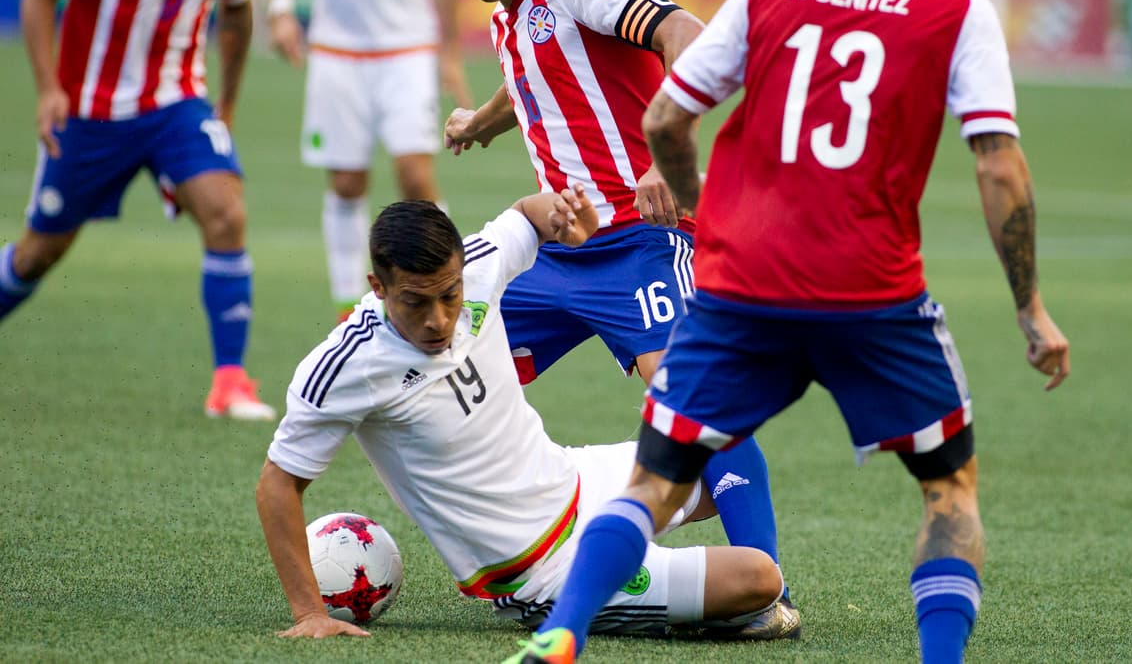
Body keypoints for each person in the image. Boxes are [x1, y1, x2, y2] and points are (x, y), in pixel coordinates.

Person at [511, 0, 1071, 664]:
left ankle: (565, 631)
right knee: (947, 490)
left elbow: (667, 115)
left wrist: (700, 207)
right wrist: (1029, 306)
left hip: (746, 282)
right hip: (872, 288)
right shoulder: (958, 6)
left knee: (654, 482)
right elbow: (999, 166)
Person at [415, 0, 795, 636]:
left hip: (641, 243)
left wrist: (665, 149)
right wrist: (482, 124)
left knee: (695, 400)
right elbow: (535, 74)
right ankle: (530, 542)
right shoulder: (510, 8)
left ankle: (764, 588)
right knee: (447, 368)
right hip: (556, 256)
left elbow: (685, 32)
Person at [255, 189, 790, 642]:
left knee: (714, 450)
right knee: (756, 580)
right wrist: (309, 613)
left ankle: (655, 576)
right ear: (378, 287)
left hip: (576, 482)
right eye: (415, 303)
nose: (438, 319)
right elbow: (278, 482)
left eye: (449, 294)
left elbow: (527, 216)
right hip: (542, 571)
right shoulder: (346, 365)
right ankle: (637, 593)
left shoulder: (481, 268)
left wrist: (562, 216)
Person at [0, 0, 273, 421]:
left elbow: (237, 15)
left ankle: (230, 382)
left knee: (226, 212)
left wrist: (223, 105)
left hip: (177, 104)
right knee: (37, 255)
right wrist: (48, 90)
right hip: (90, 113)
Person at [265, 0, 470, 321]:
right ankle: (345, 306)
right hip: (337, 48)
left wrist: (448, 48)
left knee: (415, 174)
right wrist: (282, 9)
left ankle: (456, 286)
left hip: (408, 48)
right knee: (347, 182)